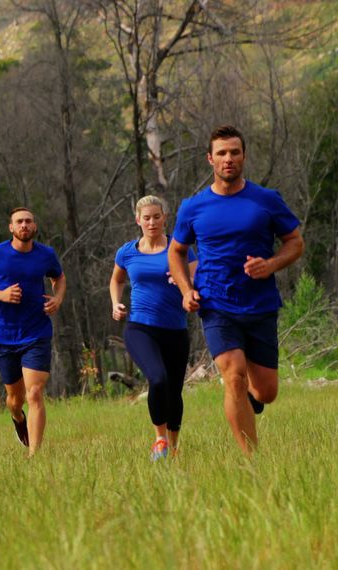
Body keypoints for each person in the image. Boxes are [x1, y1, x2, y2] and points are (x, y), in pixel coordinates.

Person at [168, 125, 304, 454]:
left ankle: (250, 401)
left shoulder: (266, 200)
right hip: (216, 304)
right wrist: (187, 289)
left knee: (266, 391)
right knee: (234, 376)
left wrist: (271, 265)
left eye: (234, 152)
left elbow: (295, 242)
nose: (228, 159)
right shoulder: (193, 206)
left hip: (259, 304)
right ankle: (251, 459)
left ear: (243, 156)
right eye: (222, 153)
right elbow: (176, 251)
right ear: (210, 159)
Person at [0, 207, 66, 457]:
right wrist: (0, 294)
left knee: (34, 393)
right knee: (15, 398)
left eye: (29, 221)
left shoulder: (46, 254)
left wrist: (58, 298)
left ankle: (34, 454)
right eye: (19, 222)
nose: (24, 225)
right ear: (11, 227)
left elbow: (59, 278)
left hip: (37, 332)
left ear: (35, 226)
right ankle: (17, 417)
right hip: (5, 336)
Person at [110, 196, 197, 460]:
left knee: (174, 390)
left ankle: (174, 445)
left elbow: (196, 276)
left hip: (175, 328)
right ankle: (159, 440)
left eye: (156, 217)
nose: (152, 222)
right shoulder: (127, 252)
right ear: (138, 220)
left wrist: (186, 284)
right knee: (157, 379)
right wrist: (116, 303)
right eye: (146, 218)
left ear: (164, 218)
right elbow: (116, 280)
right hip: (140, 327)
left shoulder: (179, 249)